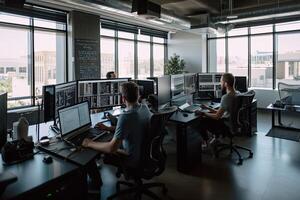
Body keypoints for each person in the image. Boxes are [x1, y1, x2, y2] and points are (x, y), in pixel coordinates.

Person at [82, 81, 152, 169]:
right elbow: (132, 127)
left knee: (99, 145)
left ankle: (95, 179)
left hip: (130, 158)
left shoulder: (126, 117)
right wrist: (108, 128)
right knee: (107, 140)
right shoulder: (144, 108)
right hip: (144, 154)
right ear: (138, 95)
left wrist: (89, 143)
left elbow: (111, 149)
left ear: (123, 99)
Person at [195, 73, 238, 146]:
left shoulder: (226, 97)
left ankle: (206, 142)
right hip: (232, 122)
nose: (220, 83)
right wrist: (207, 108)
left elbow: (217, 116)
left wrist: (203, 113)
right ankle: (216, 137)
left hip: (225, 123)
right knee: (205, 116)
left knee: (201, 120)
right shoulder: (237, 93)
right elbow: (221, 112)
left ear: (226, 84)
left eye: (221, 81)